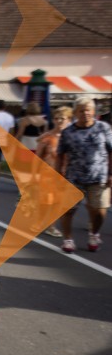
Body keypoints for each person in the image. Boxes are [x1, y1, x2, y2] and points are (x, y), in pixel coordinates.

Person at [56, 98, 112, 253]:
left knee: (100, 210)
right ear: (75, 113)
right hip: (74, 177)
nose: (85, 113)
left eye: (88, 110)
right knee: (68, 210)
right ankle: (68, 239)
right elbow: (60, 154)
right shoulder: (68, 132)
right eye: (81, 110)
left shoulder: (103, 128)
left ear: (93, 112)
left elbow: (111, 151)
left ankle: (94, 234)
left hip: (99, 176)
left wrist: (110, 174)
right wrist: (58, 176)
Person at [35, 106, 73, 237]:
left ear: (69, 120)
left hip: (66, 174)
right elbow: (38, 157)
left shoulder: (72, 137)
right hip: (48, 174)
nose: (59, 121)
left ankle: (50, 225)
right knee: (46, 201)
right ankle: (42, 223)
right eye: (57, 118)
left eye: (62, 118)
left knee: (58, 202)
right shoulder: (47, 137)